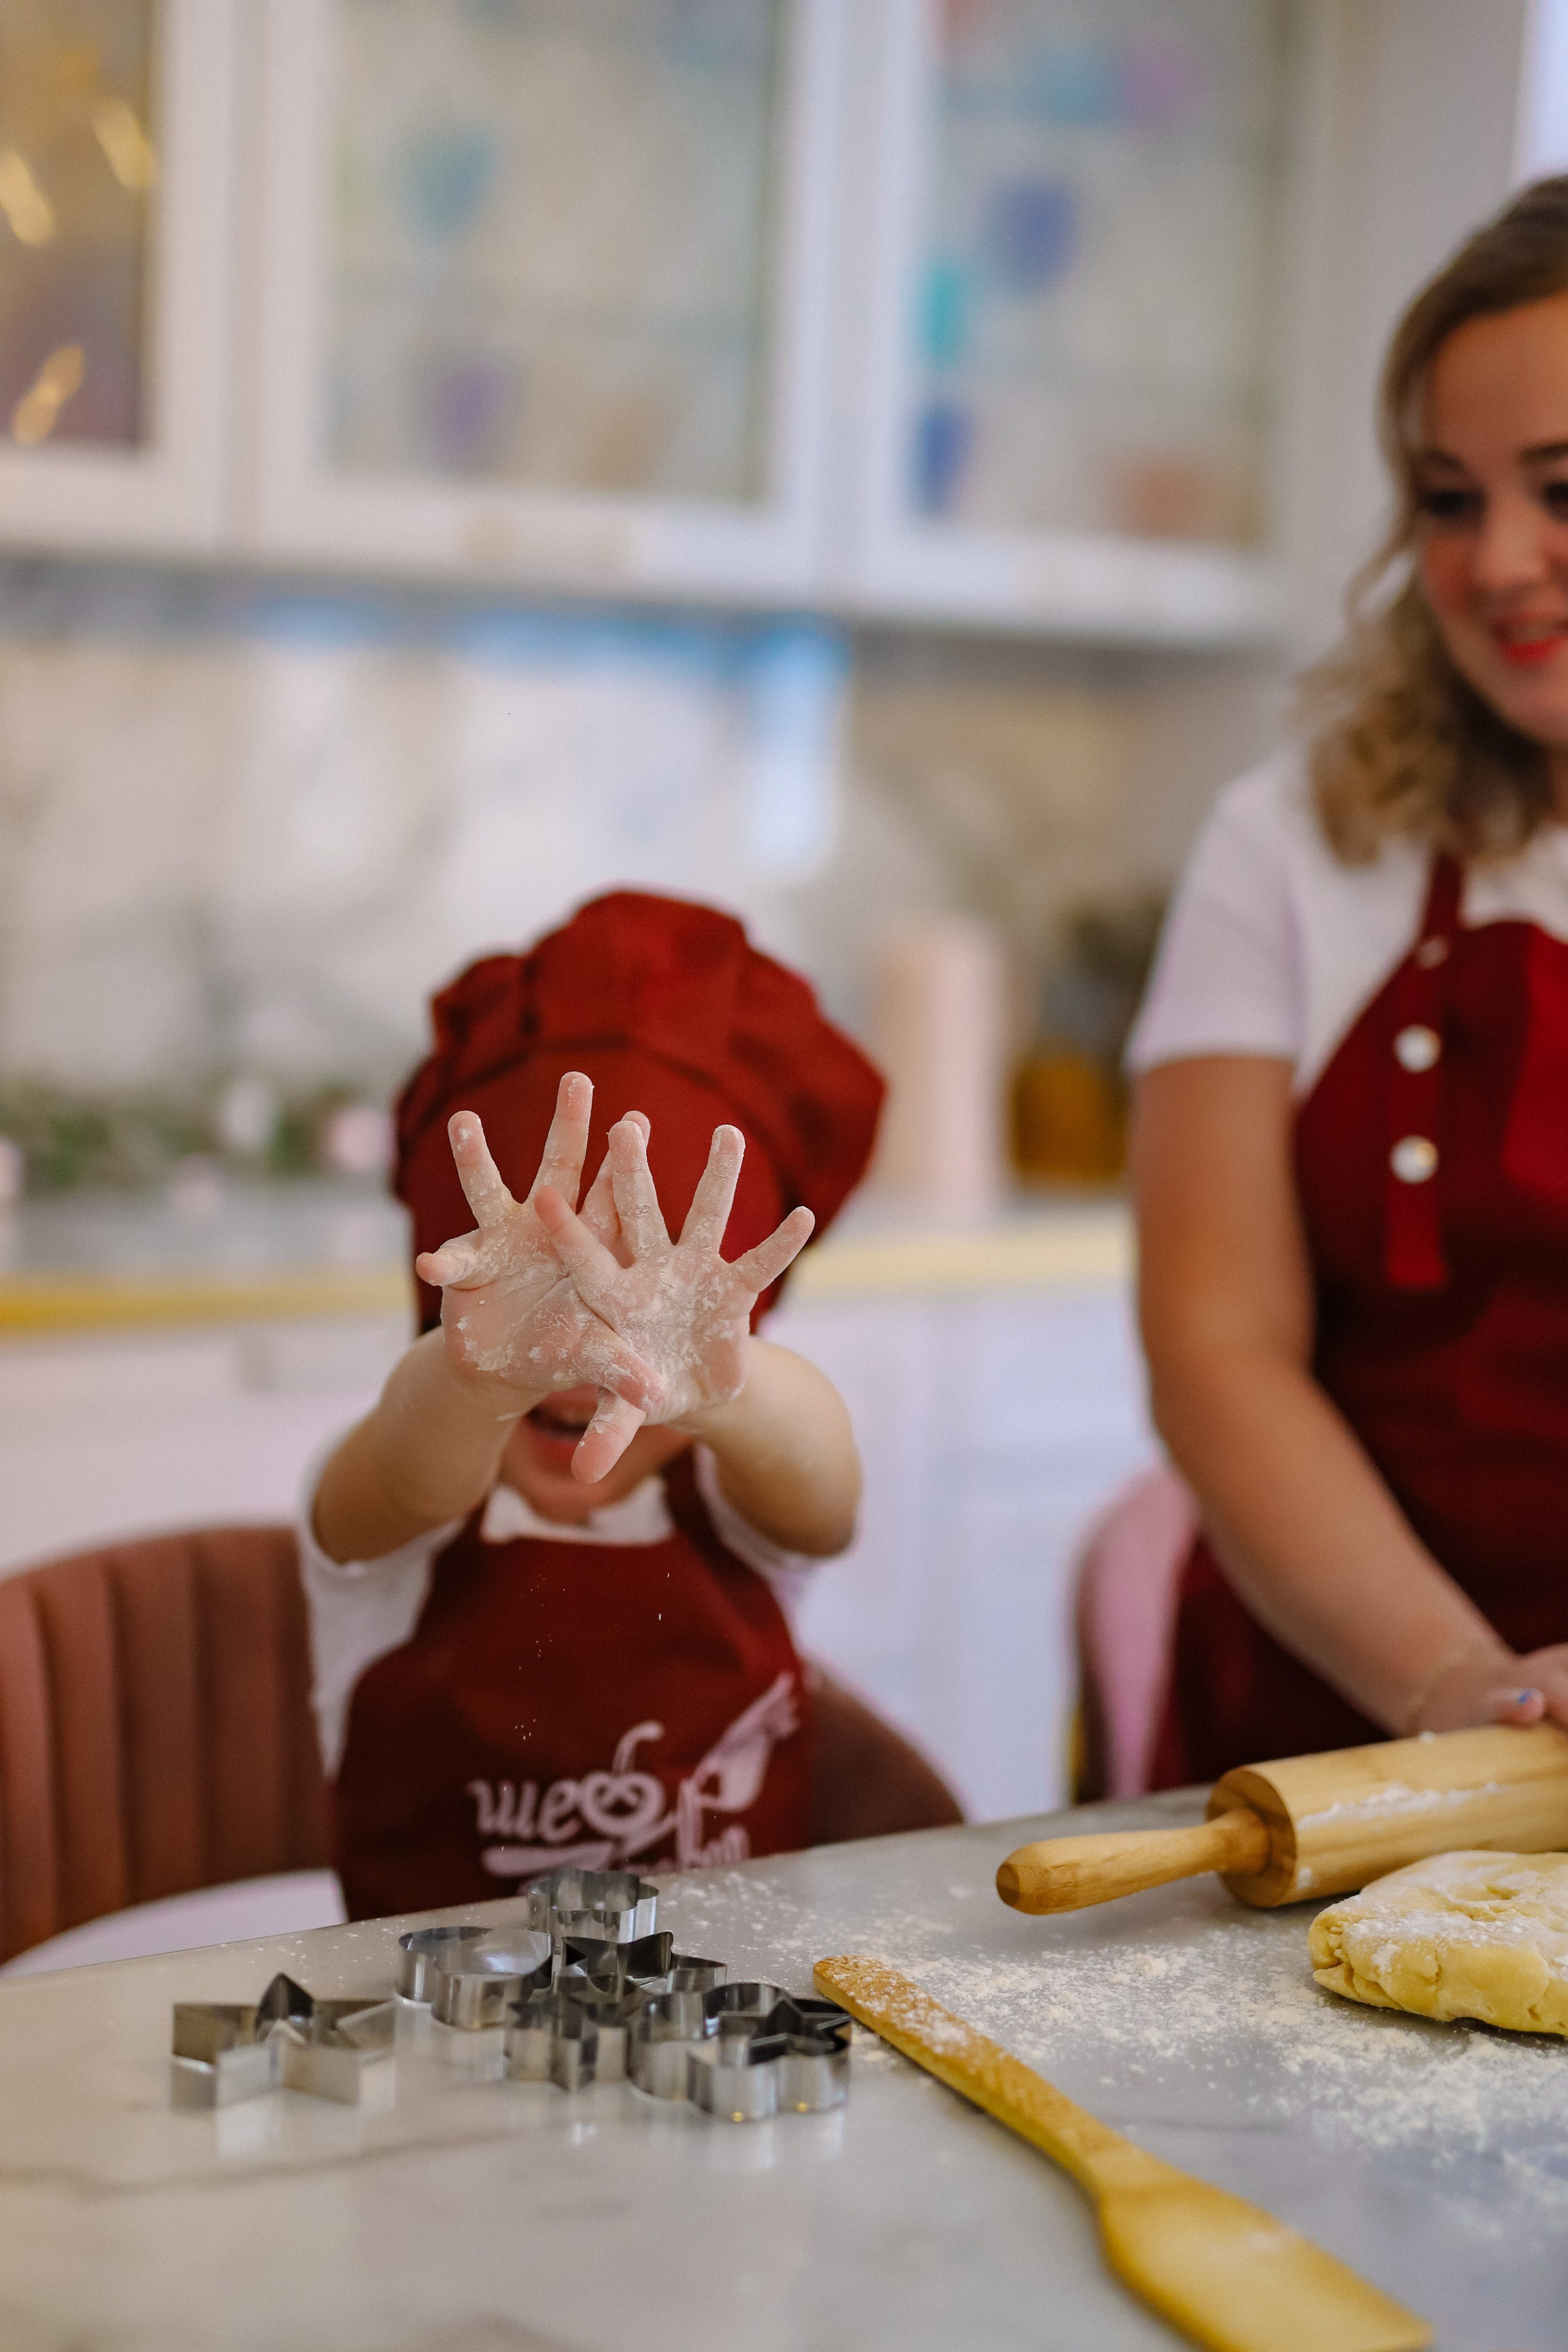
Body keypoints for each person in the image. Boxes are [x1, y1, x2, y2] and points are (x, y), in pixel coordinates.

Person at [1128, 175, 1568, 1787]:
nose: (1502, 562)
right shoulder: (1296, 841)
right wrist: (1463, 1687)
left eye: (1562, 488)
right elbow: (1216, 1341)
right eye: (1449, 500)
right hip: (1345, 1737)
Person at [301, 889, 884, 1917]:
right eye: (535, 1313)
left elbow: (827, 1492)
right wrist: (471, 1378)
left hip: (722, 2035)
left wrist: (724, 1391)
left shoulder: (740, 1496)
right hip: (431, 2042)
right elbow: (405, 1463)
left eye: (633, 1322)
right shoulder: (397, 1508)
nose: (573, 1361)